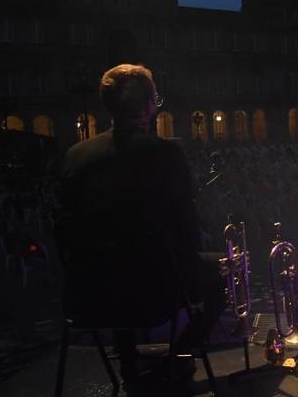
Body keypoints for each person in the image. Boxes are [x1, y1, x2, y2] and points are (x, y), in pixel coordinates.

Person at [55, 64, 224, 387]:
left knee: (118, 266)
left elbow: (65, 232)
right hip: (154, 291)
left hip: (88, 295)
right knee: (228, 270)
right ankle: (178, 356)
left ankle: (130, 364)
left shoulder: (75, 155)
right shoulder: (166, 154)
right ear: (150, 105)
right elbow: (186, 232)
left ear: (108, 106)